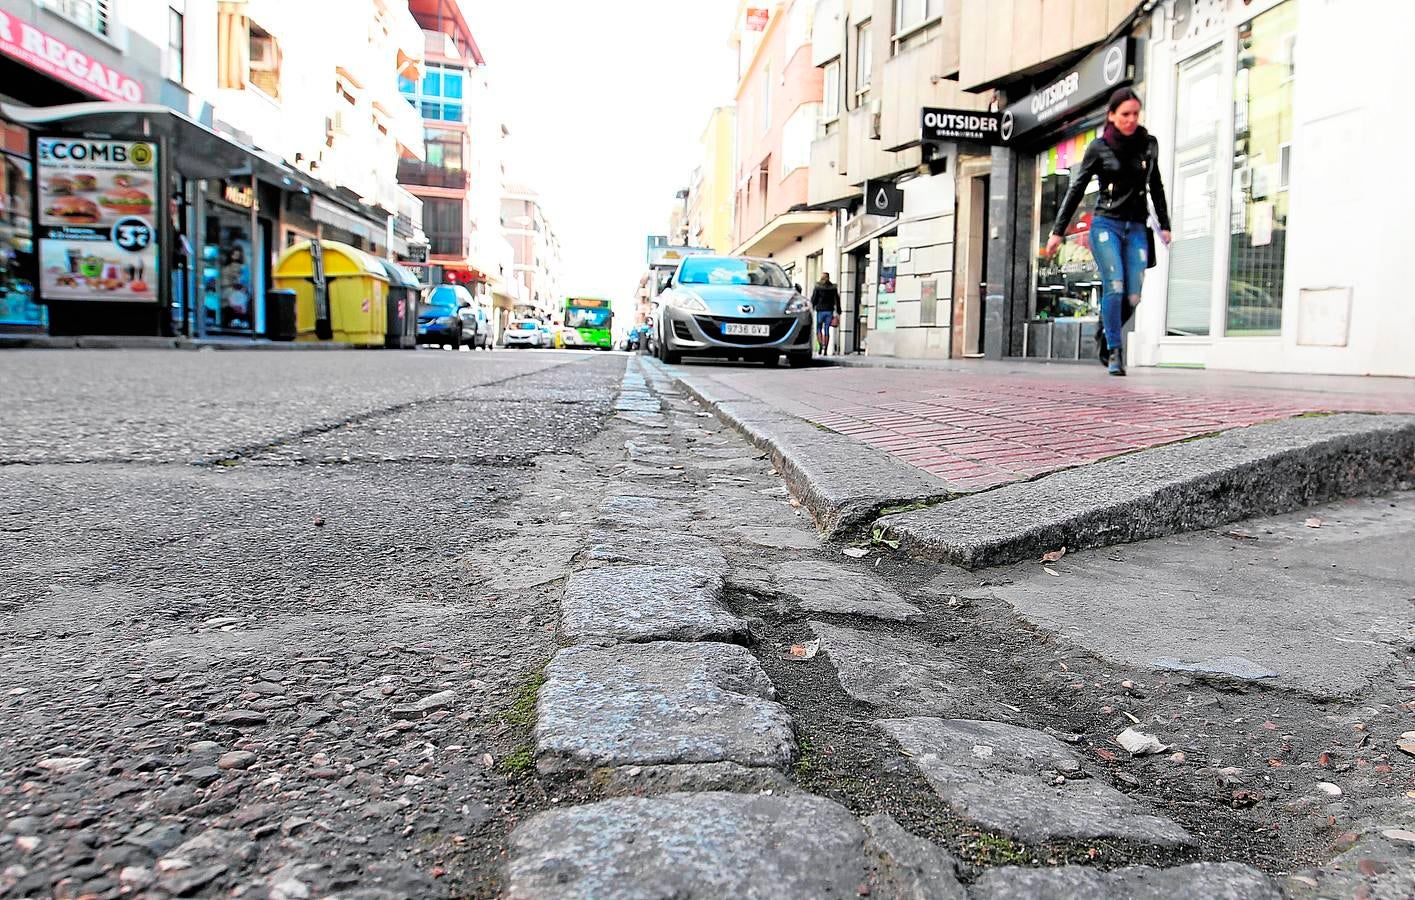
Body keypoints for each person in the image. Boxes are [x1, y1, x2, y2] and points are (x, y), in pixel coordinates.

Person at [1045, 87, 1171, 376]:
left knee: (1134, 296)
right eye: (1125, 114)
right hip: (1106, 225)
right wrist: (1057, 231)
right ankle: (1115, 350)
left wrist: (1165, 225)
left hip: (1137, 226)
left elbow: (1157, 185)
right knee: (1114, 284)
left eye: (1135, 114)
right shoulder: (1099, 148)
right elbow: (1076, 189)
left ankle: (1105, 329)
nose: (1130, 119)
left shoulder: (1149, 144)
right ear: (1112, 115)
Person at [810, 272, 840, 354]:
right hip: (829, 311)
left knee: (819, 329)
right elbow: (837, 299)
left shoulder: (818, 287)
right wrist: (838, 310)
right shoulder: (833, 287)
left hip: (820, 311)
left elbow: (814, 298)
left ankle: (820, 346)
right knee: (827, 329)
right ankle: (825, 349)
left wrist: (811, 308)